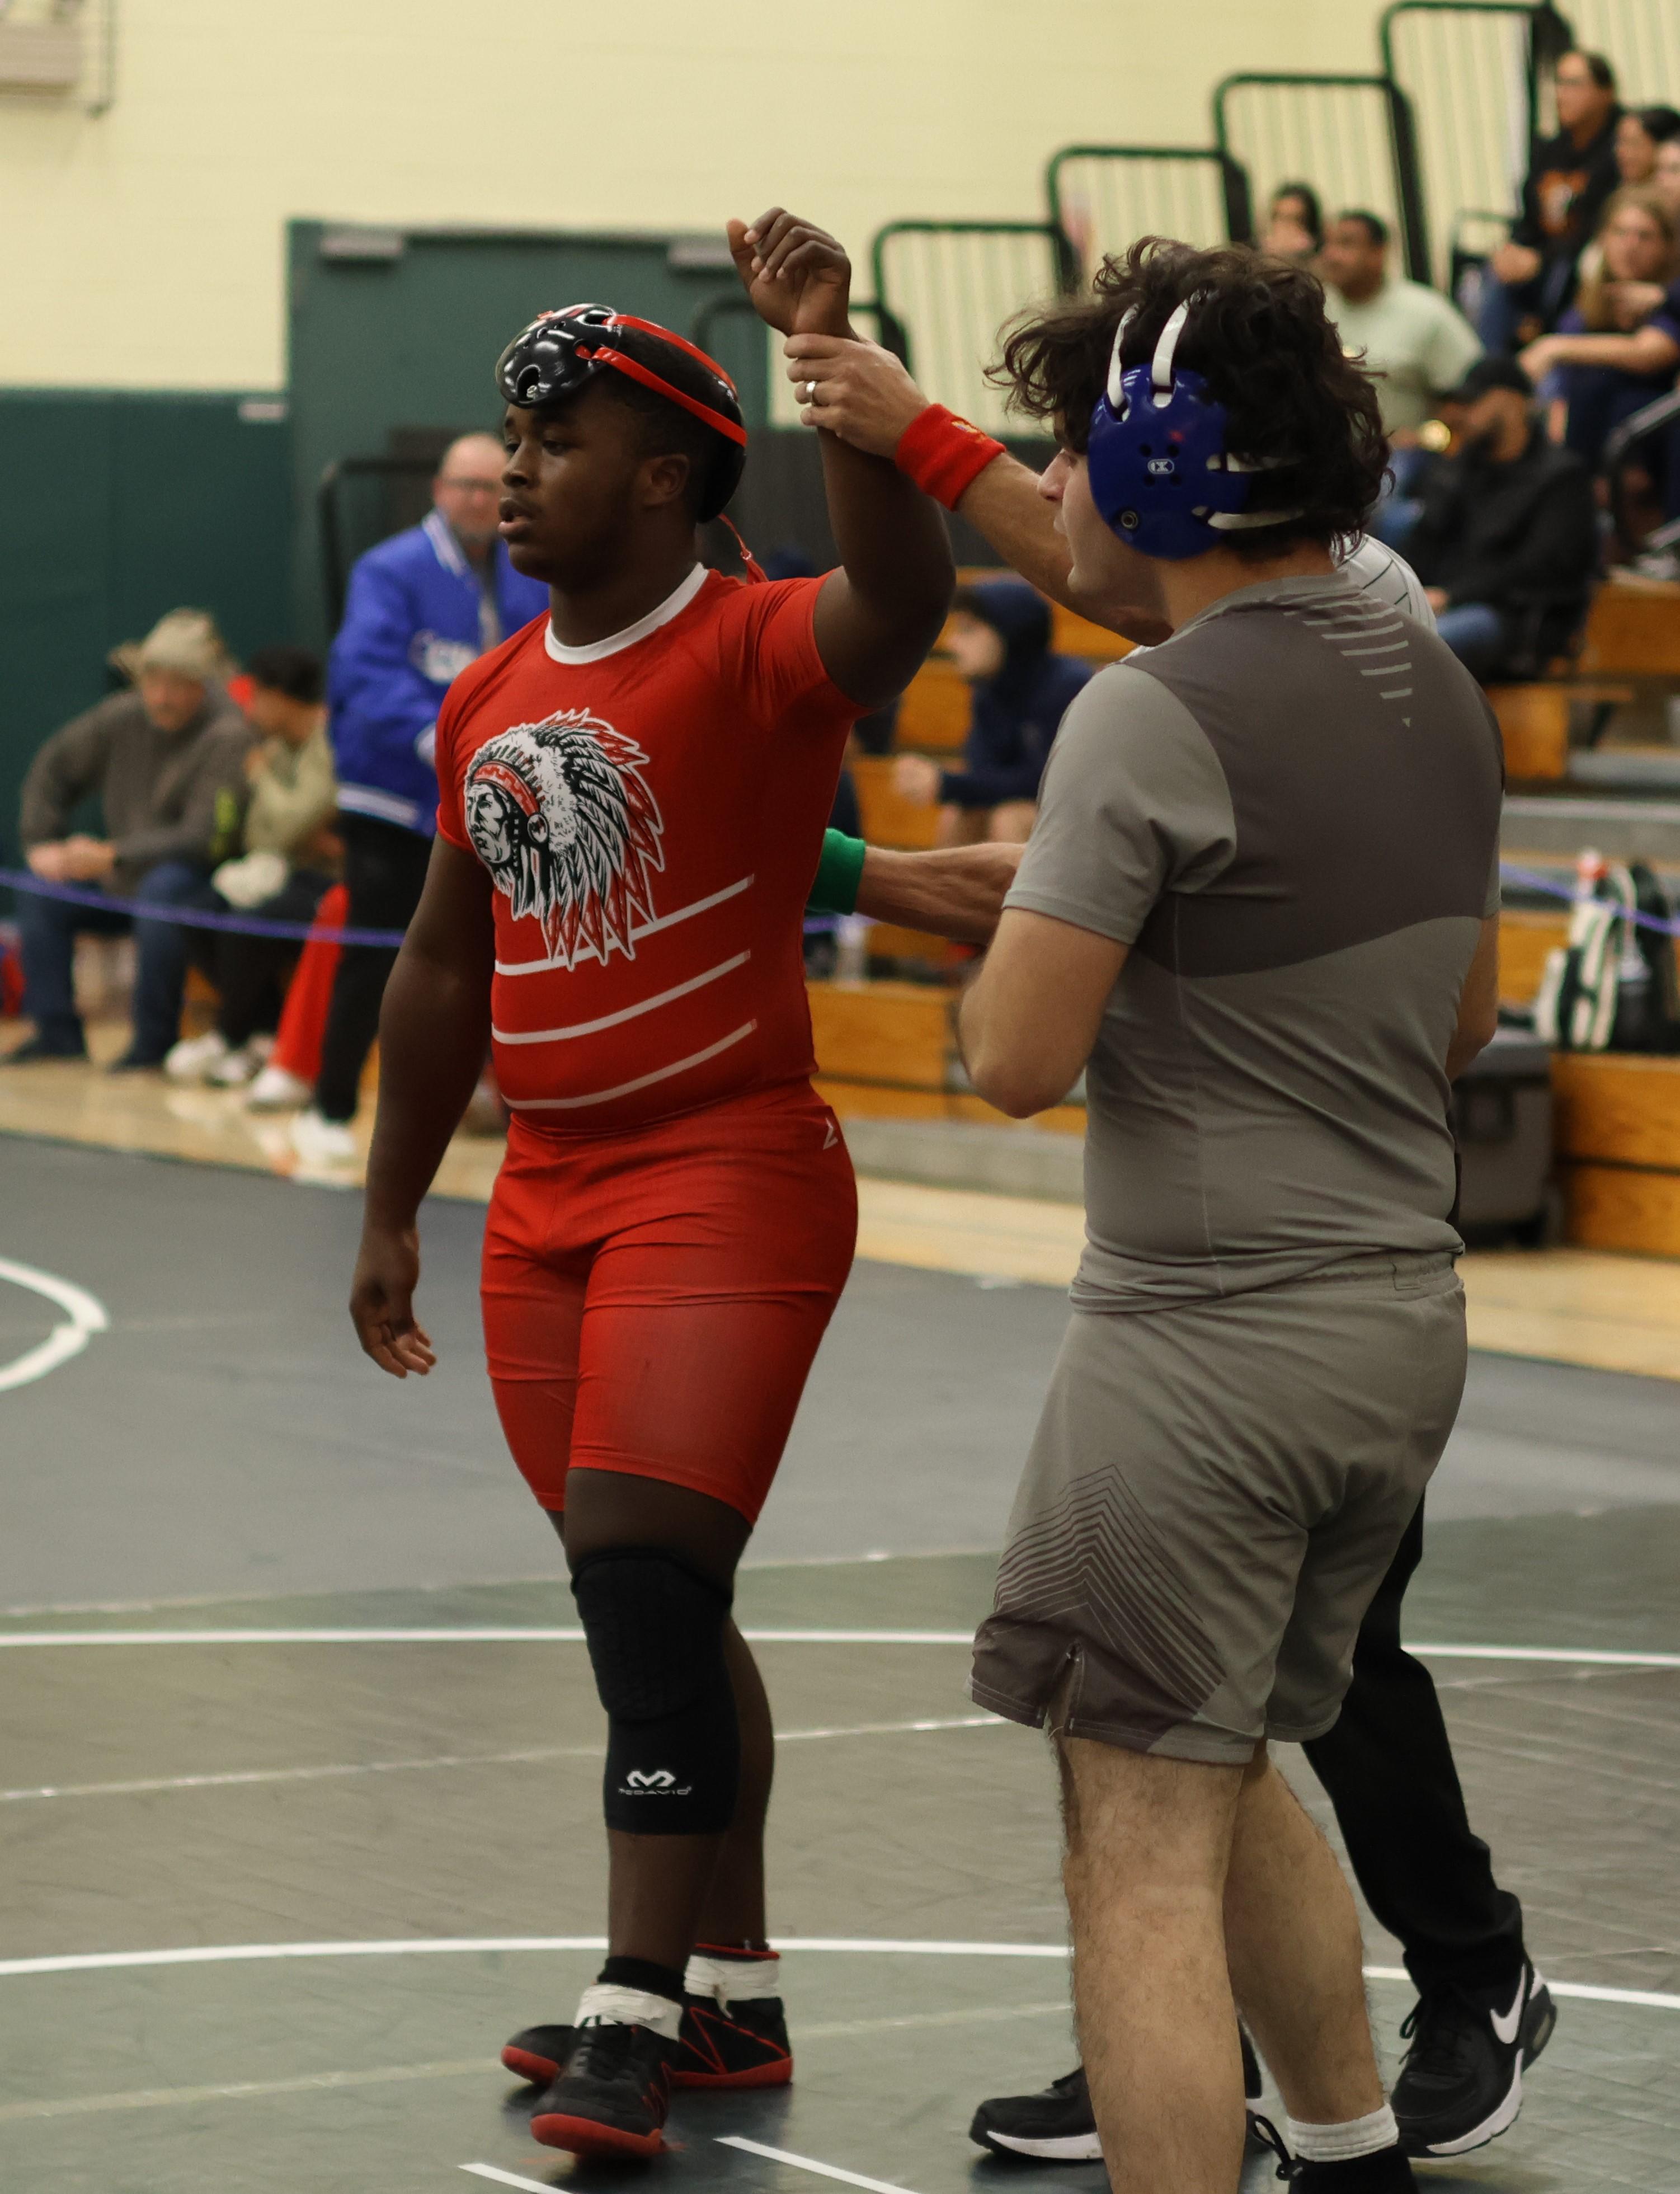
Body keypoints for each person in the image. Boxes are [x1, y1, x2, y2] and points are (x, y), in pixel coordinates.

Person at [345, 214, 953, 2162]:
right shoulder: (488, 693)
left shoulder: (758, 646)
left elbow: (905, 594)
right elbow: (441, 965)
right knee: (662, 1612)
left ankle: (629, 2007)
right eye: (512, 439)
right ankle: (731, 1996)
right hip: (543, 1201)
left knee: (637, 1583)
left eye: (559, 439)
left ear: (670, 477)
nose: (515, 468)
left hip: (725, 1170)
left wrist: (831, 375)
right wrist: (389, 1204)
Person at [290, 432, 549, 1164]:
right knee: (376, 955)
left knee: (505, 958)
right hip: (394, 797)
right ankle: (330, 1106)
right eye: (467, 486)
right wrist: (440, 739)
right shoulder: (391, 569)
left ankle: (513, 1113)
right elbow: (367, 674)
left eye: (494, 487)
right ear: (439, 491)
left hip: (493, 802)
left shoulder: (527, 569)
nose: (481, 500)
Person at [8, 609, 251, 1069]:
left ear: (202, 684)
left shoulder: (229, 733)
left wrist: (114, 853)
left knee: (164, 889)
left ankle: (152, 1042)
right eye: (151, 681)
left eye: (176, 684)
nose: (160, 697)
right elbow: (53, 766)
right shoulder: (122, 716)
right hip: (118, 878)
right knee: (40, 889)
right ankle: (56, 1033)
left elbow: (203, 836)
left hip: (194, 881)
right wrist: (41, 841)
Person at [165, 645, 341, 1088]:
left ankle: (232, 1034)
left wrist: (263, 779)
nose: (251, 708)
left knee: (249, 924)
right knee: (198, 911)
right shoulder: (277, 747)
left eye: (257, 696)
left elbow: (291, 823)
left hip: (327, 879)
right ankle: (261, 1033)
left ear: (280, 698)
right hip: (282, 868)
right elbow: (261, 836)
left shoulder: (328, 741)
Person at [1405, 355, 1598, 681]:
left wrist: (1452, 596)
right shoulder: (1462, 467)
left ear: (1512, 402)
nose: (1462, 412)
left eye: (1474, 401)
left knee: (1423, 646)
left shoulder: (1563, 478)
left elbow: (1539, 568)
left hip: (1513, 618)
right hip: (1448, 600)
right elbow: (1426, 538)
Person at [893, 580, 1090, 845]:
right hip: (1045, 813)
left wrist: (948, 784)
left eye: (968, 630)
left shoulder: (1069, 686)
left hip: (1087, 823)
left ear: (1010, 635)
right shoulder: (989, 691)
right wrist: (947, 784)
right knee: (962, 813)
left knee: (1010, 819)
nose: (952, 643)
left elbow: (1049, 783)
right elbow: (983, 770)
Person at [1519, 188, 1680, 467]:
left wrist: (1554, 347)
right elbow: (1562, 398)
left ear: (1667, 247)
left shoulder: (1670, 299)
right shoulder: (1587, 305)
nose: (1630, 246)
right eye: (1620, 233)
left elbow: (1651, 352)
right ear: (1603, 238)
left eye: (1644, 236)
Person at [1478, 49, 1622, 351]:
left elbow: (1599, 224)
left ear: (1605, 93)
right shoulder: (1551, 150)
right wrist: (1515, 249)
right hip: (1544, 259)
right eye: (1559, 83)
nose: (1561, 94)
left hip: (1578, 262)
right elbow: (1529, 218)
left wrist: (1541, 260)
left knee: (1565, 272)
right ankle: (1491, 367)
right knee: (1494, 273)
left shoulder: (1618, 151)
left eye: (1574, 84)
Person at [1320, 209, 1481, 440]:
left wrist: (1425, 438)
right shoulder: (1314, 310)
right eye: (1328, 244)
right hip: (1328, 453)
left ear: (1379, 253)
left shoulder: (1426, 312)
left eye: (1346, 244)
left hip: (1403, 454)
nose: (1331, 255)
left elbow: (1472, 393)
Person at [1614, 104, 1680, 187]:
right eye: (1620, 142)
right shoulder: (1622, 190)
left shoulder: (1670, 193)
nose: (1621, 152)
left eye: (1633, 143)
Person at [1262, 181, 1324, 265]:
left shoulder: (1320, 262)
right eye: (1279, 217)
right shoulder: (1260, 256)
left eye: (1294, 219)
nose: (1284, 227)